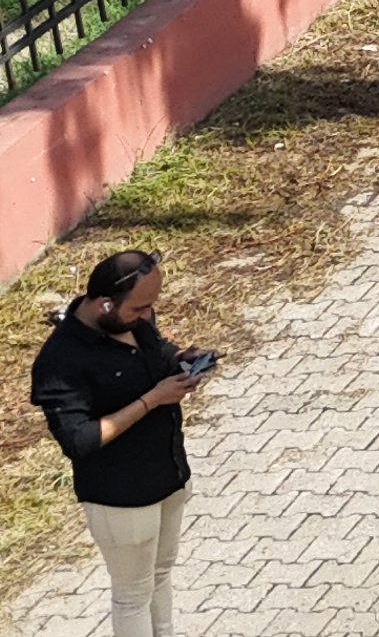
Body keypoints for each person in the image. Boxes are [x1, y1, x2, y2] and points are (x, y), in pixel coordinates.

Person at [31, 250, 198, 637]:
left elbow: (157, 352)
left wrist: (183, 359)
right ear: (105, 303)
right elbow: (79, 439)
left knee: (159, 575)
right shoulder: (60, 360)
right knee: (132, 595)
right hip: (121, 497)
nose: (147, 316)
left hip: (167, 475)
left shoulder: (135, 321)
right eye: (139, 308)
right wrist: (153, 399)